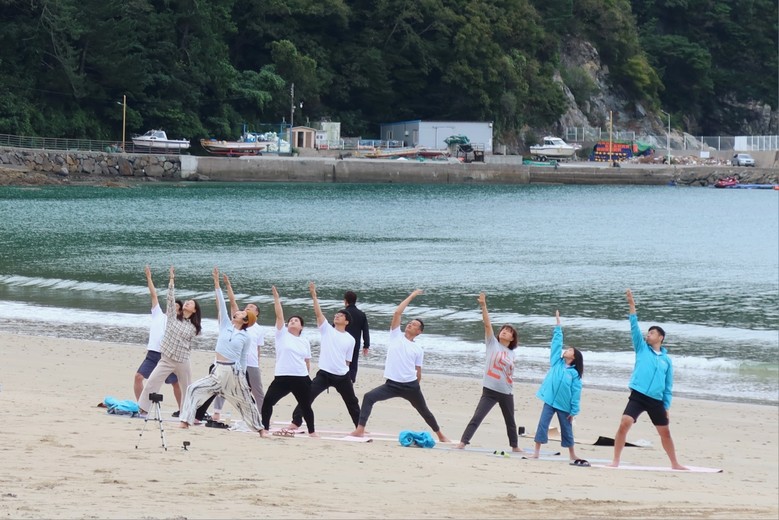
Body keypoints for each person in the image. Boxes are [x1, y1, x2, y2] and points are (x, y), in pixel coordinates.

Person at [350, 289, 449, 442]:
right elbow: (397, 313)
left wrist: (416, 387)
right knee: (369, 397)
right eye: (410, 322)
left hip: (410, 386)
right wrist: (412, 295)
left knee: (424, 411)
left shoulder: (418, 349)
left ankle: (440, 435)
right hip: (391, 385)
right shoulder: (396, 336)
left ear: (419, 332)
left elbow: (418, 370)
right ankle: (360, 429)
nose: (410, 324)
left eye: (414, 325)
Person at [608, 289, 687, 469]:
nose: (648, 335)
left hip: (656, 400)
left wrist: (666, 406)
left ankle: (675, 463)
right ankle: (615, 461)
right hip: (638, 395)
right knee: (624, 423)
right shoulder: (642, 348)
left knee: (665, 433)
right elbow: (634, 328)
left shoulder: (666, 360)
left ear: (660, 337)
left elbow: (668, 386)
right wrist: (631, 305)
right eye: (648, 333)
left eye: (652, 333)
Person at [179, 268, 262, 432]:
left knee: (246, 401)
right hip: (218, 369)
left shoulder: (246, 337)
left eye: (240, 313)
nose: (236, 313)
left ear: (245, 320)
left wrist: (243, 378)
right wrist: (217, 283)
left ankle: (260, 429)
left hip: (233, 372)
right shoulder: (225, 325)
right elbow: (222, 306)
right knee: (193, 389)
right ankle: (185, 421)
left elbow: (243, 358)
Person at [287, 282, 360, 430]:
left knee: (352, 401)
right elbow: (319, 314)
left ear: (346, 322)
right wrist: (314, 296)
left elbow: (348, 361)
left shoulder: (351, 339)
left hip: (342, 376)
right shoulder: (327, 329)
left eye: (341, 315)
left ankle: (359, 427)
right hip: (324, 374)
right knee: (307, 396)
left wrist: (344, 373)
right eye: (336, 315)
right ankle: (296, 422)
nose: (337, 316)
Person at [456, 292, 519, 451]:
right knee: (477, 417)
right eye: (503, 329)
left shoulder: (512, 354)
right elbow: (487, 324)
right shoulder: (492, 343)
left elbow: (509, 373)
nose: (504, 331)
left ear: (512, 338)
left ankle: (515, 446)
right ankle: (463, 442)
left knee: (510, 421)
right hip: (490, 390)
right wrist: (483, 305)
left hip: (506, 391)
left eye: (508, 331)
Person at [138, 266, 202, 414]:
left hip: (182, 360)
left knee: (187, 388)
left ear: (194, 310)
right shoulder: (172, 317)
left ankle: (187, 413)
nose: (187, 303)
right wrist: (171, 279)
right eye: (187, 301)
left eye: (191, 303)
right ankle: (143, 408)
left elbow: (188, 341)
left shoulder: (194, 327)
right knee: (152, 382)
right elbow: (170, 298)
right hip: (166, 358)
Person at [259, 286, 317, 438]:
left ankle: (312, 432)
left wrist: (306, 376)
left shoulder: (304, 341)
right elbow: (279, 316)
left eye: (296, 321)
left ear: (301, 327)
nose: (292, 322)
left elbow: (307, 361)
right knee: (268, 401)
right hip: (282, 377)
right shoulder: (282, 334)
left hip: (301, 377)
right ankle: (264, 429)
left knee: (305, 406)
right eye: (291, 320)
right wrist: (276, 298)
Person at [205, 276, 265, 422]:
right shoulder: (236, 322)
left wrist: (258, 362)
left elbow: (257, 348)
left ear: (256, 313)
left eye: (251, 307)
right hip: (232, 362)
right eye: (246, 306)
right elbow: (231, 302)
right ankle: (216, 412)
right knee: (222, 387)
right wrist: (227, 284)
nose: (247, 308)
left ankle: (262, 415)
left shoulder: (258, 329)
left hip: (251, 363)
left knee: (256, 390)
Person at [530, 310, 585, 463]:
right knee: (542, 425)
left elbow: (576, 393)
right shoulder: (556, 362)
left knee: (567, 430)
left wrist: (574, 410)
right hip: (549, 400)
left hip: (564, 405)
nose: (566, 350)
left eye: (570, 350)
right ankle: (536, 452)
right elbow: (556, 344)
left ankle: (572, 454)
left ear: (574, 357)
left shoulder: (574, 374)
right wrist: (558, 326)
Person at [133, 265, 183, 414]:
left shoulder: (178, 323)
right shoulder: (158, 314)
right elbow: (154, 295)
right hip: (152, 354)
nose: (172, 307)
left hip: (167, 356)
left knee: (176, 383)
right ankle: (142, 408)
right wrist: (149, 278)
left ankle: (182, 410)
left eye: (176, 307)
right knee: (138, 377)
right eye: (171, 305)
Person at [343, 290, 370, 383]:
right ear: (355, 301)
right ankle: (351, 380)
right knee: (353, 363)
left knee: (342, 362)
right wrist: (366, 345)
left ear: (345, 301)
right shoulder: (361, 314)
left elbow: (334, 328)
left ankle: (342, 380)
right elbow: (365, 330)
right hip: (355, 343)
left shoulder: (343, 313)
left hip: (342, 342)